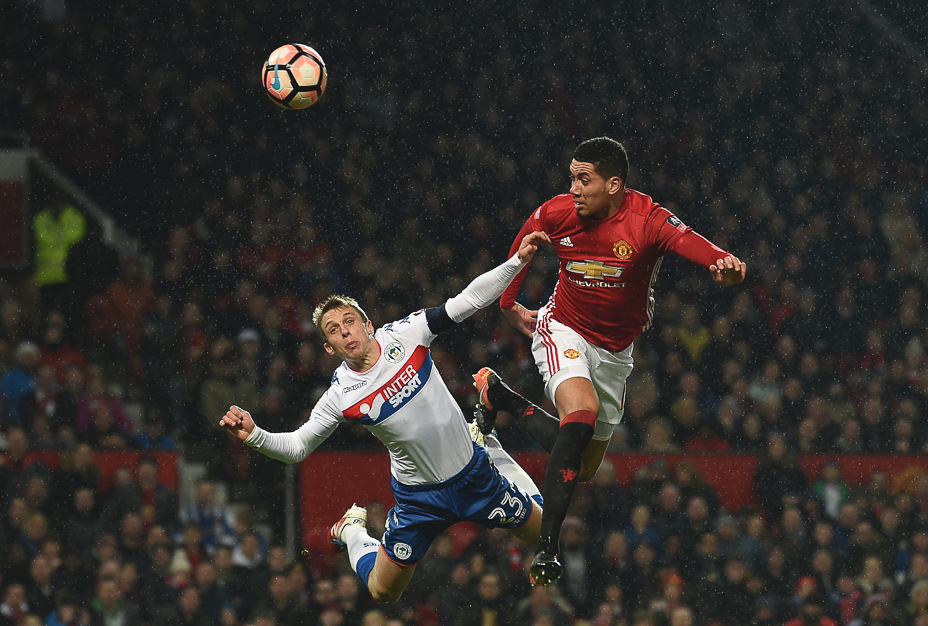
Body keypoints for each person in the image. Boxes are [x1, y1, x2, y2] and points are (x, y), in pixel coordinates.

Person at [220, 231, 551, 603]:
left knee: (544, 531)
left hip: (474, 477)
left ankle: (487, 443)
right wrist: (254, 435)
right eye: (334, 330)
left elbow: (468, 300)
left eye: (349, 321)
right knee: (383, 590)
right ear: (329, 348)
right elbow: (297, 446)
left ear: (367, 324)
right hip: (419, 500)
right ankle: (352, 532)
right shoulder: (340, 397)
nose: (345, 331)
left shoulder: (408, 334)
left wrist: (517, 262)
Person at [475, 136, 746, 584]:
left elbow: (697, 245)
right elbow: (524, 244)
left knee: (582, 467)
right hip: (562, 328)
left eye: (584, 180)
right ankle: (547, 547)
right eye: (572, 179)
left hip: (616, 352)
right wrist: (508, 302)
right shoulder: (556, 212)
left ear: (615, 184)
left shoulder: (648, 220)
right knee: (581, 415)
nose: (574, 189)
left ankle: (503, 398)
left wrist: (724, 264)